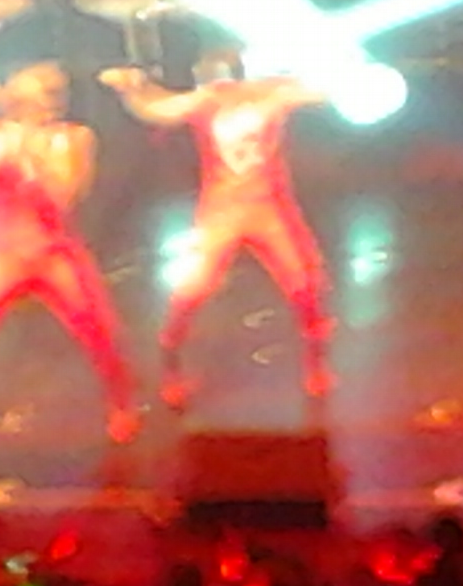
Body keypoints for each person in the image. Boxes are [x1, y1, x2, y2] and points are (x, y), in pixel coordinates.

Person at [100, 48, 334, 407]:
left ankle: (317, 364)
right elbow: (158, 110)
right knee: (192, 290)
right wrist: (132, 89)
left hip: (269, 209)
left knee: (304, 284)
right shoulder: (211, 101)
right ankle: (171, 365)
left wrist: (335, 66)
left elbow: (321, 91)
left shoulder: (272, 94)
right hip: (223, 210)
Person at [0, 62, 138, 449]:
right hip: (7, 257)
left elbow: (66, 197)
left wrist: (34, 158)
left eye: (55, 95)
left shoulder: (75, 138)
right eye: (43, 94)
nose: (51, 103)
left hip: (57, 254)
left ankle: (121, 404)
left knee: (102, 333)